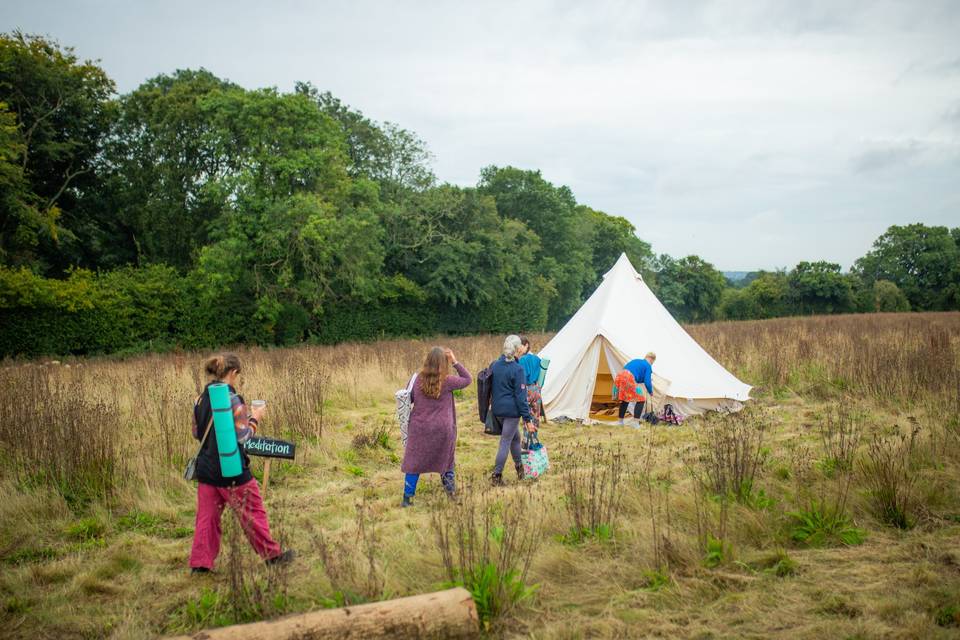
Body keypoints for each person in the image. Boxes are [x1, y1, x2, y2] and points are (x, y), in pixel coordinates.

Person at [189, 353, 295, 574]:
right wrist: (255, 417)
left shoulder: (200, 399)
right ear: (233, 373)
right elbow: (244, 437)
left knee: (206, 519)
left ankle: (200, 564)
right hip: (232, 469)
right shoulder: (233, 400)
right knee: (253, 511)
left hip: (206, 469)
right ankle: (272, 556)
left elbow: (196, 433)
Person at [400, 347, 471, 507]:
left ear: (427, 362)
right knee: (446, 461)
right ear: (444, 363)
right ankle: (451, 496)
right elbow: (468, 379)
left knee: (413, 463)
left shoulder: (417, 379)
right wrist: (455, 362)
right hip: (442, 429)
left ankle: (407, 499)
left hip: (419, 428)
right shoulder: (448, 381)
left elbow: (408, 398)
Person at [490, 335, 535, 485]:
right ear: (516, 349)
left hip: (497, 410)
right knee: (505, 441)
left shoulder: (495, 365)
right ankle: (496, 476)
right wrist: (528, 420)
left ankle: (520, 470)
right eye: (520, 346)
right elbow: (521, 399)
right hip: (511, 413)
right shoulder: (518, 369)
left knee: (515, 438)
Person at [614, 352, 656, 427]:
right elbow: (647, 382)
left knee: (625, 400)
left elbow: (634, 373)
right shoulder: (648, 365)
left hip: (620, 376)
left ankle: (620, 422)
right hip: (629, 378)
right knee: (641, 399)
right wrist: (650, 391)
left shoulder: (637, 361)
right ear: (652, 360)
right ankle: (635, 423)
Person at [518, 336, 543, 429]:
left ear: (526, 345)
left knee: (527, 417)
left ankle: (526, 441)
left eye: (520, 346)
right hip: (536, 389)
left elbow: (522, 378)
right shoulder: (537, 359)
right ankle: (534, 441)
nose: (519, 349)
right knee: (536, 416)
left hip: (527, 389)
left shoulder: (522, 360)